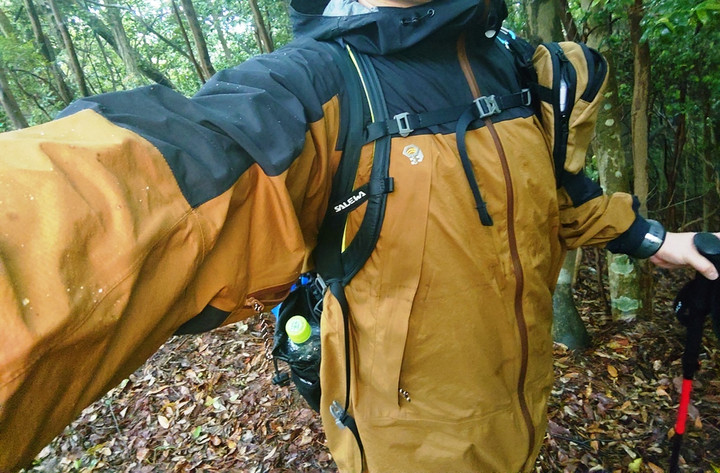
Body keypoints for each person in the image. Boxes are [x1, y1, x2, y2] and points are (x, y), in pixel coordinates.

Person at [0, 0, 717, 471]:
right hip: (410, 450)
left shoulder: (517, 70)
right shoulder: (311, 90)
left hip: (522, 417)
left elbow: (557, 201)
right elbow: (131, 192)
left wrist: (658, 240)